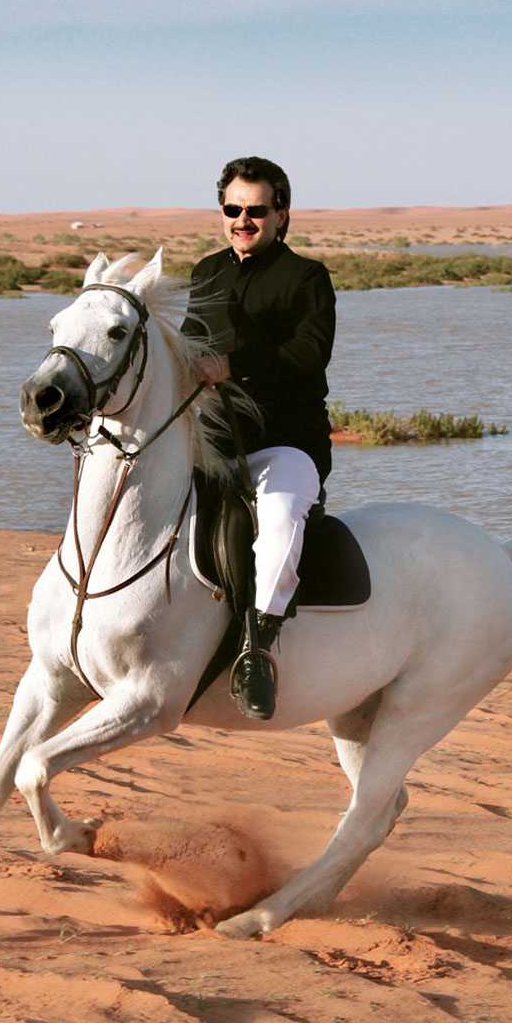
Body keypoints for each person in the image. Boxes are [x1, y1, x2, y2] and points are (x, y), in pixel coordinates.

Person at [182, 156, 336, 720]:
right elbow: (188, 346)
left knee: (279, 518)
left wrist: (233, 364)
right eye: (232, 209)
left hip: (284, 442)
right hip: (213, 439)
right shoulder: (205, 273)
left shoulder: (307, 278)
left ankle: (258, 649)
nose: (242, 221)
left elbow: (309, 354)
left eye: (256, 211)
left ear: (281, 215)